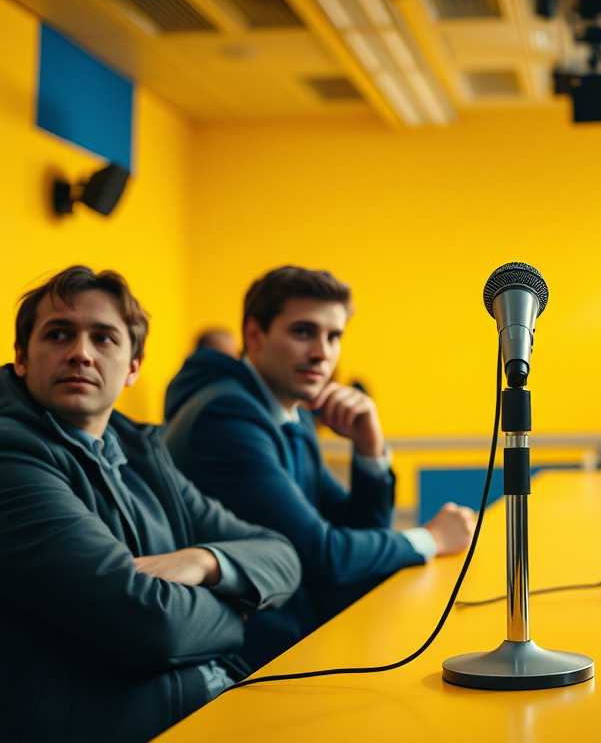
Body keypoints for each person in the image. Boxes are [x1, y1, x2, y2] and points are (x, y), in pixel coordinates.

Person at [0, 266, 301, 743]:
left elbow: (281, 553)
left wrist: (204, 561)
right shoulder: (11, 454)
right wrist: (236, 612)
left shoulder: (140, 452)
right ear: (21, 358)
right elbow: (150, 625)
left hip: (205, 703)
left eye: (104, 339)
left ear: (133, 367)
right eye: (58, 334)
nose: (80, 353)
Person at [163, 266, 476, 669]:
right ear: (255, 336)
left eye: (334, 337)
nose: (322, 353)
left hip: (296, 640)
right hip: (243, 662)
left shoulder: (293, 411)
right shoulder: (226, 416)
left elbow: (356, 528)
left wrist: (369, 449)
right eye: (303, 332)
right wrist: (429, 538)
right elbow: (323, 556)